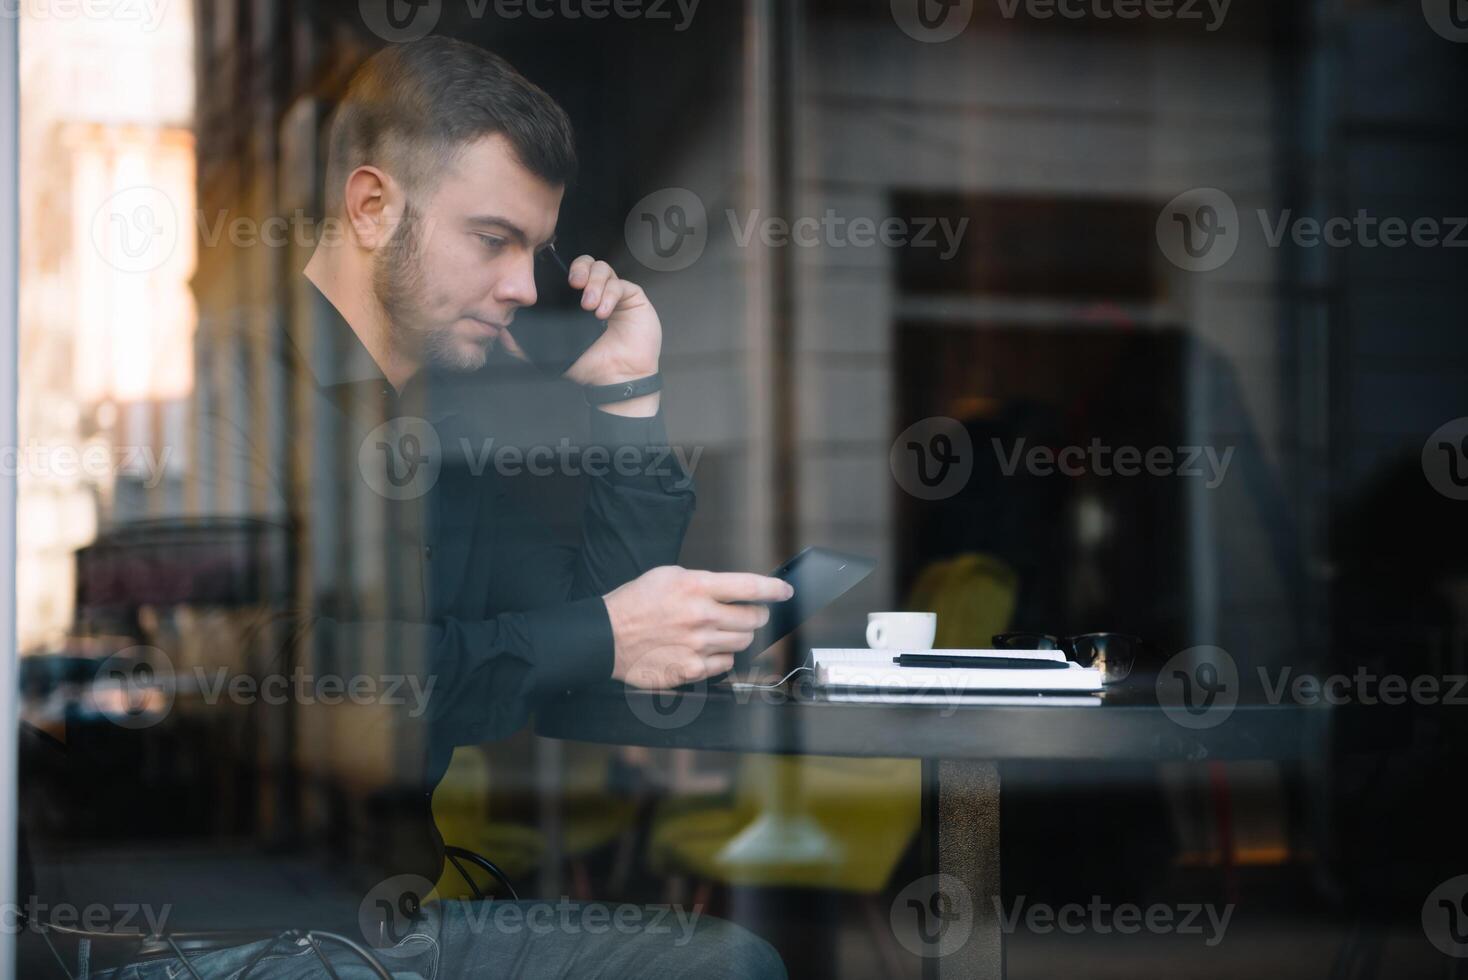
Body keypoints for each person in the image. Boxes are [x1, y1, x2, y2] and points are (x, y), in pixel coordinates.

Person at [88, 35, 789, 979]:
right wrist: (604, 633)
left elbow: (588, 627)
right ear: (373, 207)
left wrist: (628, 397)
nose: (525, 287)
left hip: (381, 922)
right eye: (493, 239)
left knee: (723, 960)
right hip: (231, 937)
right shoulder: (233, 395)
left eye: (536, 250)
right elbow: (305, 694)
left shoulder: (431, 426)